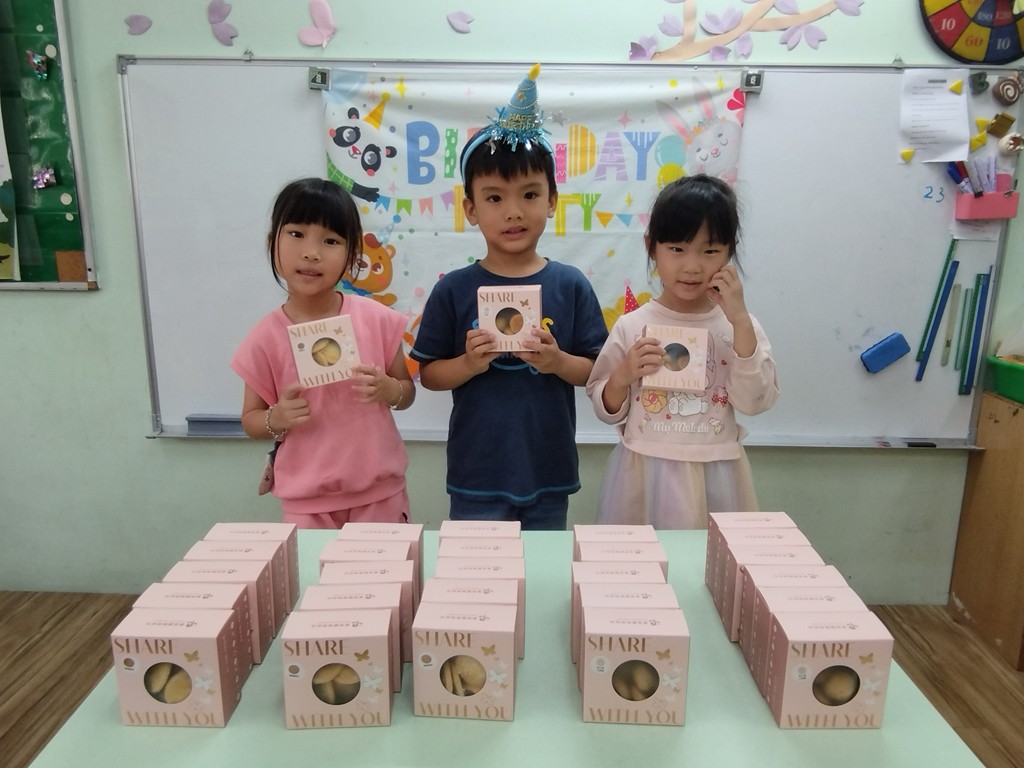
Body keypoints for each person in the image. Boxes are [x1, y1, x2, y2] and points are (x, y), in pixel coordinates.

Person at [410, 65, 607, 531]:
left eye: (529, 195)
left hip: (549, 470)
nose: (514, 212)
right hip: (476, 473)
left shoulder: (570, 285)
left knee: (543, 570)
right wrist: (468, 364)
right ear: (471, 209)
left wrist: (558, 362)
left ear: (552, 201)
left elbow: (598, 370)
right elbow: (429, 375)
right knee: (477, 572)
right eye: (495, 198)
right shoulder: (453, 288)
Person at [585, 174, 779, 529]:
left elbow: (754, 402)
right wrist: (623, 376)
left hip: (717, 474)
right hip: (642, 470)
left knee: (709, 560)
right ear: (651, 247)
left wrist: (739, 322)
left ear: (729, 251)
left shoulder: (738, 325)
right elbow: (605, 409)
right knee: (639, 559)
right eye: (677, 249)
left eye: (710, 251)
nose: (692, 266)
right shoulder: (632, 325)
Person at [231, 177, 415, 528]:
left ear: (352, 254)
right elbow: (250, 419)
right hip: (306, 502)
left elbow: (406, 392)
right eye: (296, 234)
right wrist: (277, 418)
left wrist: (391, 390)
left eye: (330, 240)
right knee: (314, 568)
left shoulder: (377, 319)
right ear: (272, 243)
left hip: (380, 495)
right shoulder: (264, 338)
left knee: (388, 567)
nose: (312, 252)